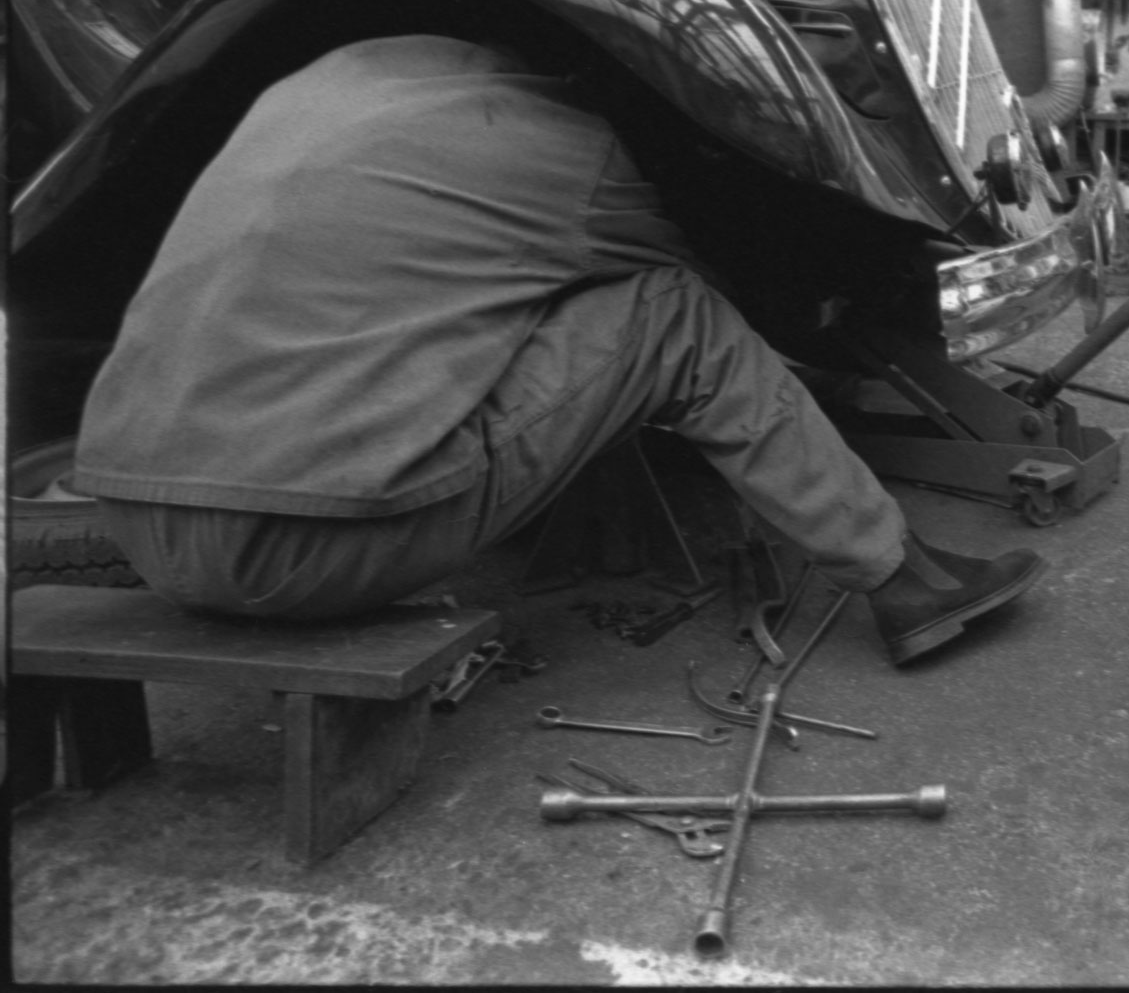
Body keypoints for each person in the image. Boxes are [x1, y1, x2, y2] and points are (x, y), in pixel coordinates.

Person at [71, 33, 1045, 665]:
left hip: (130, 509)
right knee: (675, 316)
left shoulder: (321, 77)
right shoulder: (577, 146)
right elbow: (721, 307)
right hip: (310, 548)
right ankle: (900, 577)